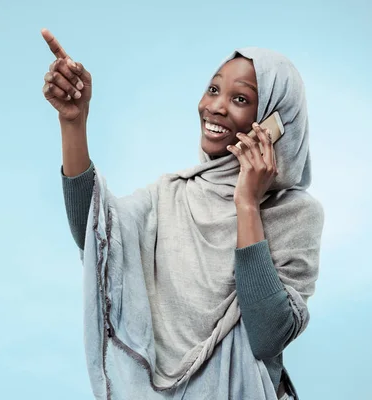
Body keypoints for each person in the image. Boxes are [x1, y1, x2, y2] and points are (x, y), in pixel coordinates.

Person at [41, 28, 324, 400]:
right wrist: (73, 123)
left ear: (275, 122)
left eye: (240, 98)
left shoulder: (296, 214)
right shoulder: (170, 195)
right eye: (213, 89)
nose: (216, 106)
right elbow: (95, 232)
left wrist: (247, 204)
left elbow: (267, 334)